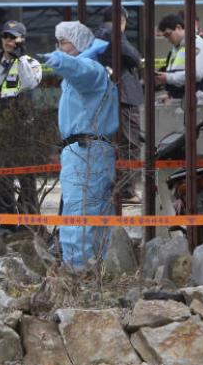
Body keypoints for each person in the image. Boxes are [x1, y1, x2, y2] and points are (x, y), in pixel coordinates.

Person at [37, 21, 119, 269]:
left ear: (80, 43)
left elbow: (79, 69)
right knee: (94, 211)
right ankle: (98, 266)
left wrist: (61, 61)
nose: (59, 47)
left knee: (78, 211)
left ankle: (77, 268)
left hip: (85, 151)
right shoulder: (90, 72)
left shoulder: (90, 70)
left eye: (63, 42)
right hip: (89, 150)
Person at [0, 20, 43, 225]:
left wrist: (20, 58)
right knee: (2, 179)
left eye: (14, 37)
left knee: (27, 179)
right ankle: (7, 223)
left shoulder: (31, 63)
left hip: (22, 129)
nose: (9, 40)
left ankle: (30, 223)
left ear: (22, 40)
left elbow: (29, 83)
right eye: (6, 36)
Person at [95, 6, 143, 205]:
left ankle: (112, 189)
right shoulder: (114, 33)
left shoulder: (96, 34)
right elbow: (135, 58)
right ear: (121, 22)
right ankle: (126, 191)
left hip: (106, 96)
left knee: (109, 144)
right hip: (123, 97)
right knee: (129, 144)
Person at [155, 14, 203, 105]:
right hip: (180, 100)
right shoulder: (176, 49)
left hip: (196, 99)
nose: (168, 39)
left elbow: (196, 74)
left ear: (179, 27)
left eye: (168, 34)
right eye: (165, 36)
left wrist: (167, 77)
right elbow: (176, 73)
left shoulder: (196, 43)